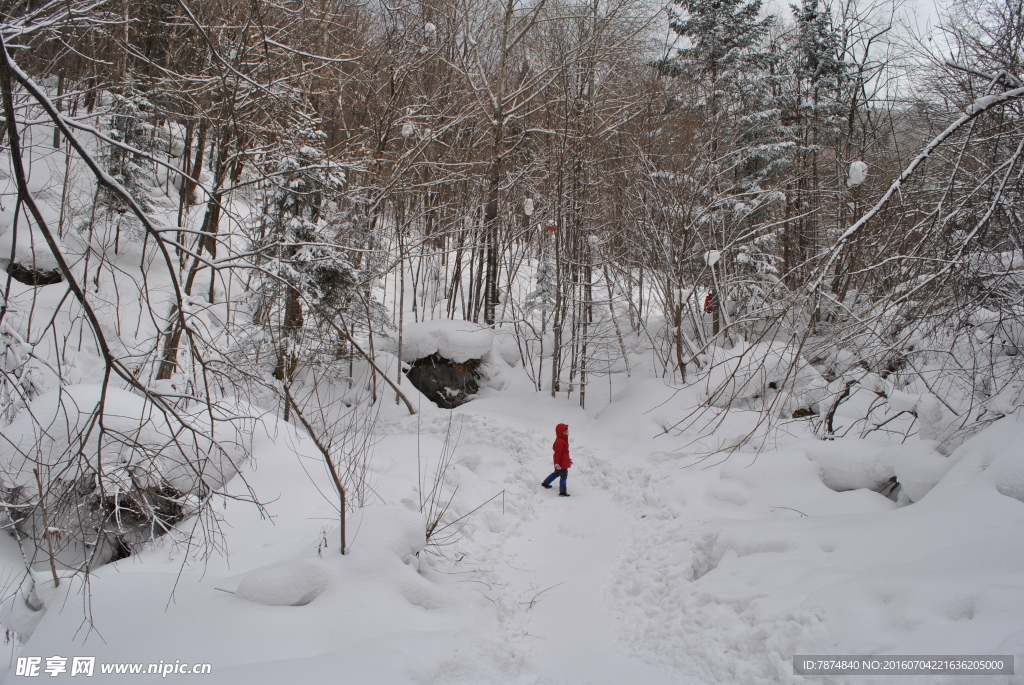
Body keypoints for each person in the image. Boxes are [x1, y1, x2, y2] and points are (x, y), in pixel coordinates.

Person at [541, 423, 572, 496]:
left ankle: (545, 483)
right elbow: (557, 454)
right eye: (566, 430)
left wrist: (569, 460)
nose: (568, 431)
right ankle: (562, 491)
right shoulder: (560, 441)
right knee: (563, 475)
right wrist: (557, 463)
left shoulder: (563, 440)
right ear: (562, 432)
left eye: (567, 430)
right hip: (561, 463)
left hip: (563, 462)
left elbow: (565, 453)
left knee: (556, 473)